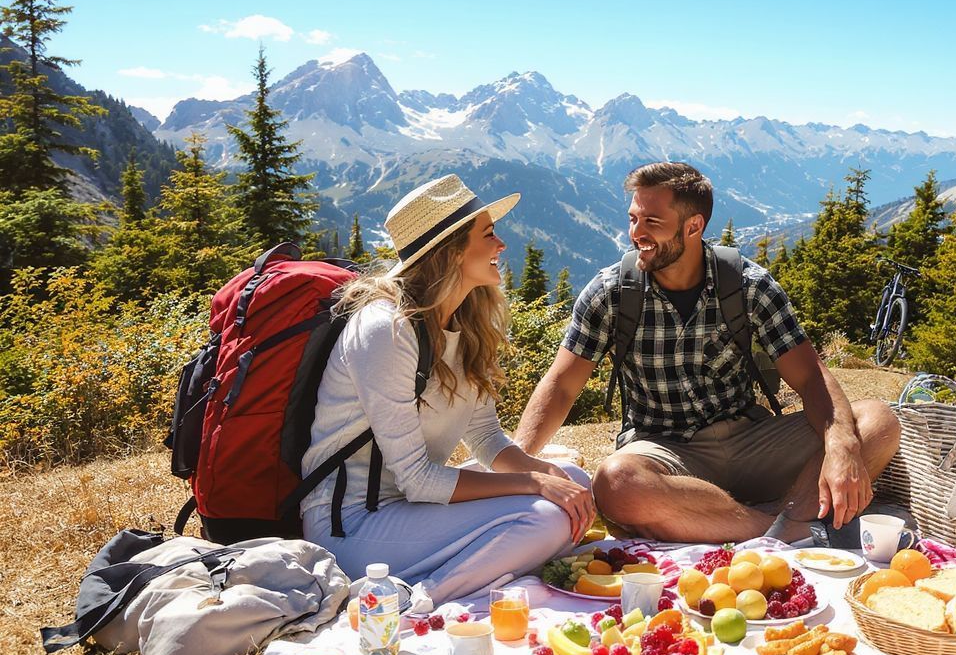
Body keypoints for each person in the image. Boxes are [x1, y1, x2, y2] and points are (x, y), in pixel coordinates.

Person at [515, 162, 901, 545]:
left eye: (652, 221)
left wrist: (841, 445)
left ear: (694, 226)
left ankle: (755, 520)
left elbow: (809, 376)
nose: (636, 233)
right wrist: (516, 462)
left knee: (877, 420)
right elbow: (563, 384)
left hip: (751, 442)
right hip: (664, 449)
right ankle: (784, 529)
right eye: (633, 219)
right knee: (616, 482)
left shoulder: (749, 286)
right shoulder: (611, 293)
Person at [300, 174, 596, 602]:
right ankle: (419, 598)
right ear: (452, 250)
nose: (501, 246)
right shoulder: (387, 328)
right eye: (489, 234)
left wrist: (545, 475)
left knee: (573, 481)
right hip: (355, 524)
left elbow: (486, 439)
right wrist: (533, 483)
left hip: (409, 507)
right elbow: (419, 480)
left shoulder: (463, 324)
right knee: (548, 518)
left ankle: (480, 563)